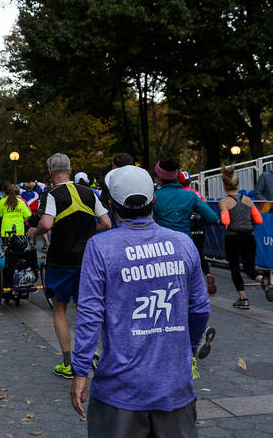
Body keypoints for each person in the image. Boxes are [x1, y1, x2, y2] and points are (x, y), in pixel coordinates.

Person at [70, 165, 211, 437]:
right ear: (153, 201)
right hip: (174, 387)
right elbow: (200, 309)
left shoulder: (100, 248)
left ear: (111, 205)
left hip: (119, 390)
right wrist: (189, 350)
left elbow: (89, 315)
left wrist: (80, 372)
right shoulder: (183, 244)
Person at [25, 153, 110, 379]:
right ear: (70, 171)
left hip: (61, 260)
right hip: (88, 260)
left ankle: (67, 362)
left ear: (50, 173)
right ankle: (89, 354)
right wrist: (89, 233)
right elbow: (107, 223)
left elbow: (46, 222)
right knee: (85, 309)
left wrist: (35, 232)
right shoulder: (90, 193)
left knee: (59, 309)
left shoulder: (51, 194)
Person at [153, 159, 219, 295]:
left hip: (162, 249)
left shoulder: (153, 197)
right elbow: (212, 218)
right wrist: (194, 221)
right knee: (188, 289)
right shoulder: (190, 195)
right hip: (186, 247)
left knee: (165, 291)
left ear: (159, 178)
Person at [218, 166, 272, 307]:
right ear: (237, 184)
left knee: (235, 267)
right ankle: (263, 280)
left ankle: (243, 299)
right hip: (249, 237)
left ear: (225, 185)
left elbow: (225, 221)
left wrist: (223, 219)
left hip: (233, 238)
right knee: (249, 268)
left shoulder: (224, 202)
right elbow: (259, 220)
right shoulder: (248, 200)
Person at [178, 171, 215, 293]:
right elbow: (204, 209)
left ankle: (191, 281)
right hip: (199, 226)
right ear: (190, 182)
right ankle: (208, 274)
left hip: (186, 226)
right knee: (199, 252)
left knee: (186, 253)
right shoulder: (197, 194)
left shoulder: (180, 194)